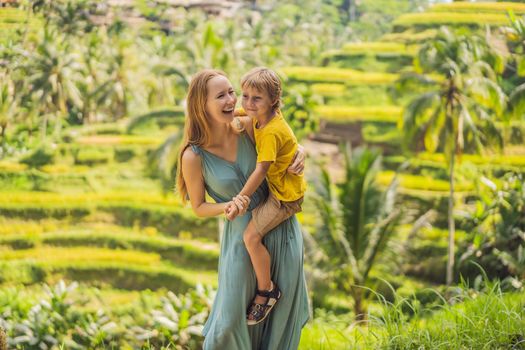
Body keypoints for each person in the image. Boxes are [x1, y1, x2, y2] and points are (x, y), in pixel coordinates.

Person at [176, 69, 309, 350]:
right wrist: (230, 205)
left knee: (280, 323)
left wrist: (300, 152)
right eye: (221, 95)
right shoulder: (193, 155)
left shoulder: (248, 126)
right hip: (241, 238)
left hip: (281, 229)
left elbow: (282, 139)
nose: (230, 100)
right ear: (201, 104)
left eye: (231, 92)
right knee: (228, 325)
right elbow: (199, 208)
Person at [224, 67, 305, 326]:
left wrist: (241, 198)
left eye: (256, 98)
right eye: (244, 96)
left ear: (273, 100)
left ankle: (267, 291)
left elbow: (262, 169)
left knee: (251, 236)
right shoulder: (264, 116)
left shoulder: (270, 131)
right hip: (280, 187)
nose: (248, 104)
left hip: (284, 196)